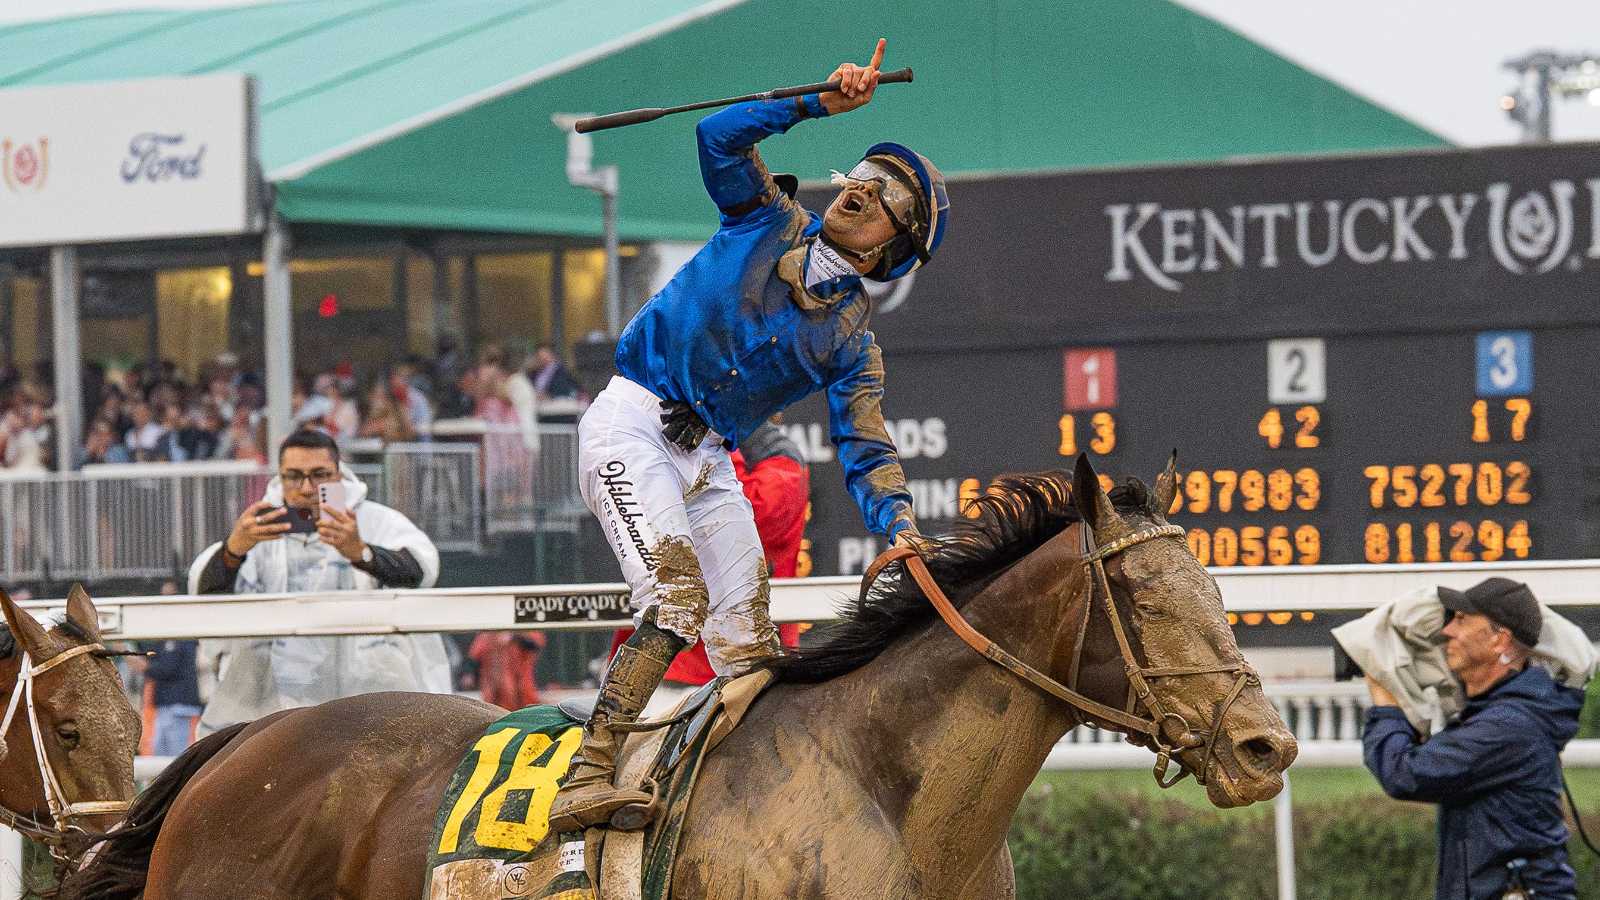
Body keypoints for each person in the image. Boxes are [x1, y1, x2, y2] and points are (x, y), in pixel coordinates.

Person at [548, 38, 948, 834]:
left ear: (891, 251)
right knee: (676, 598)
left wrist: (899, 528)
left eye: (883, 199)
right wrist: (817, 103)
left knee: (750, 647)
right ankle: (587, 774)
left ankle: (746, 796)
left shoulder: (852, 344)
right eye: (861, 179)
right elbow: (718, 137)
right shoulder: (764, 214)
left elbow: (865, 446)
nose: (860, 193)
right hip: (631, 419)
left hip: (706, 456)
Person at [186, 429, 448, 733]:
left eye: (320, 475)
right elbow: (203, 594)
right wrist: (233, 551)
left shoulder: (375, 522)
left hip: (370, 709)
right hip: (267, 716)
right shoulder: (255, 531)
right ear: (280, 478)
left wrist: (362, 553)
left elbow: (422, 569)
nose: (307, 489)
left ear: (339, 475)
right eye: (294, 476)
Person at [1363, 578, 1585, 900]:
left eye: (1462, 620)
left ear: (1500, 640)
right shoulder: (1498, 714)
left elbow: (1405, 773)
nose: (1447, 630)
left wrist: (1385, 698)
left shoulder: (1507, 725)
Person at [606, 419, 810, 706]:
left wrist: (721, 437)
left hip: (724, 671)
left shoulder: (778, 466)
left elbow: (731, 523)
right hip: (673, 663)